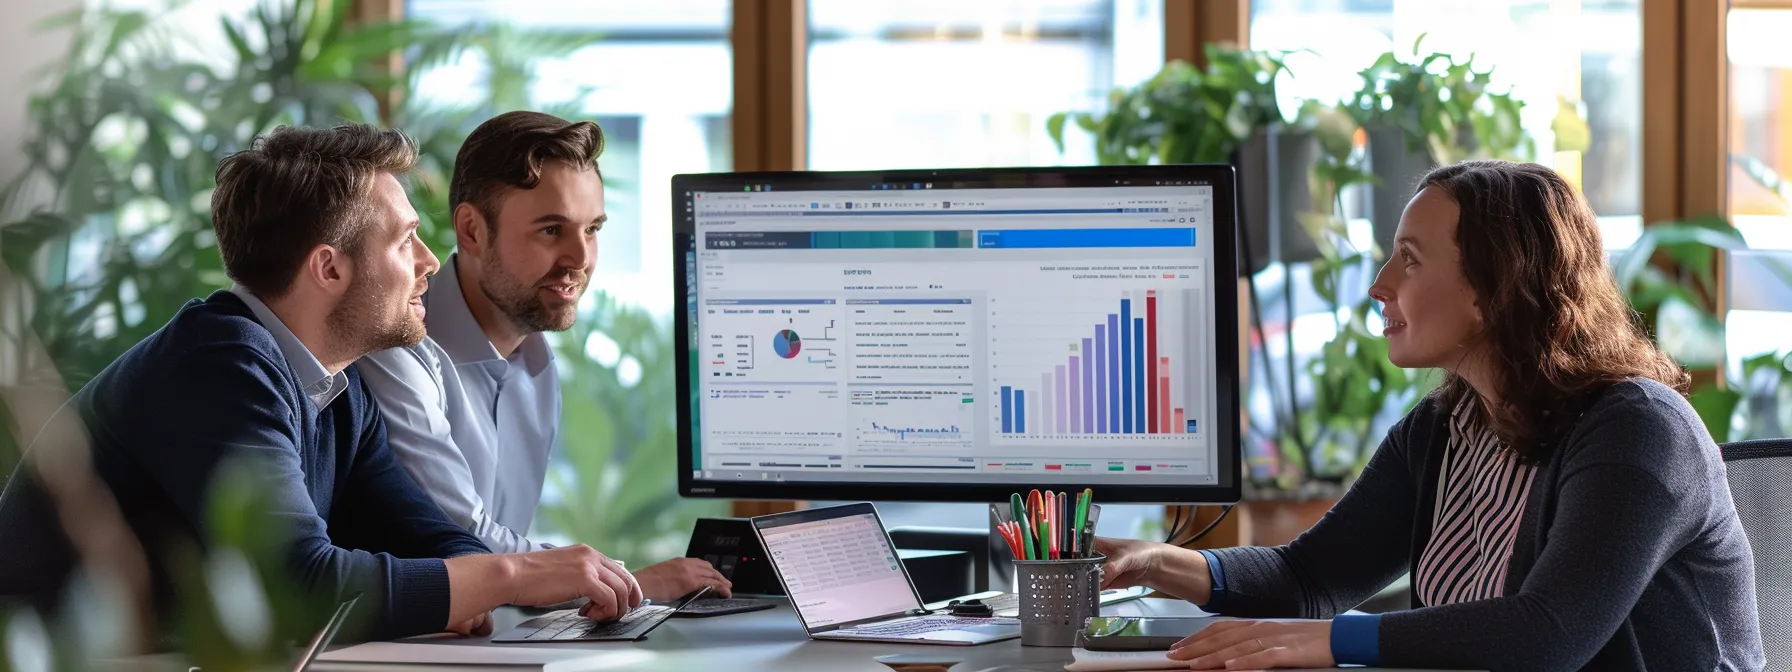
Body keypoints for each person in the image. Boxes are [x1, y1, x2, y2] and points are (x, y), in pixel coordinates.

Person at [1096, 161, 1764, 671]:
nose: (1379, 284)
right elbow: (1309, 579)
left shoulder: (1638, 429)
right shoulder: (1449, 424)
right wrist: (1158, 563)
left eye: (1410, 260)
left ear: (1497, 288)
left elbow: (1549, 636)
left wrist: (1330, 642)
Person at [0, 124, 650, 641]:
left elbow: (424, 536)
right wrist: (506, 576)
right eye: (404, 243)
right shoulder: (221, 364)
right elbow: (300, 583)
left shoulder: (335, 387)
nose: (429, 263)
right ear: (328, 269)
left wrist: (497, 580)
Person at [357, 111, 730, 602]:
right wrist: (631, 584)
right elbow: (467, 543)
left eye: (592, 229)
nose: (580, 258)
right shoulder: (396, 345)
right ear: (471, 230)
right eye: (552, 230)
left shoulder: (536, 359)